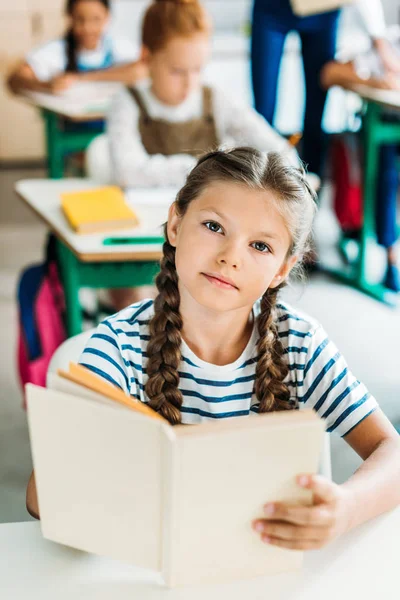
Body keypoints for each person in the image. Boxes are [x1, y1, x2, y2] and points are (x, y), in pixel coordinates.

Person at [27, 147, 400, 548]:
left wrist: (346, 507)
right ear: (175, 224)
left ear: (282, 270)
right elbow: (41, 497)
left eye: (260, 246)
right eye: (213, 226)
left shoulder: (300, 345)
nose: (229, 258)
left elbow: (391, 451)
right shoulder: (118, 348)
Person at [103, 0, 298, 189]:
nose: (190, 83)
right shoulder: (126, 103)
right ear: (146, 57)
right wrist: (207, 166)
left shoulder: (217, 98)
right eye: (177, 71)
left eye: (197, 69)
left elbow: (276, 146)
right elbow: (127, 172)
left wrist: (291, 167)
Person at [250, 0, 397, 177]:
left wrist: (380, 42)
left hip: (323, 10)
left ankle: (312, 191)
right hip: (272, 9)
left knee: (315, 116)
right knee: (263, 116)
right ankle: (257, 184)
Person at [320, 31, 400, 292]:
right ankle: (391, 258)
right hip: (387, 129)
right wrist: (377, 83)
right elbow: (329, 74)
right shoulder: (385, 46)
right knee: (386, 176)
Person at [7, 0, 146, 95]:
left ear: (107, 17)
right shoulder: (56, 50)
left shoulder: (117, 46)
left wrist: (80, 79)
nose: (87, 28)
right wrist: (47, 86)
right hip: (67, 130)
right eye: (80, 20)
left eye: (96, 19)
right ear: (70, 18)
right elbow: (15, 80)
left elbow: (142, 70)